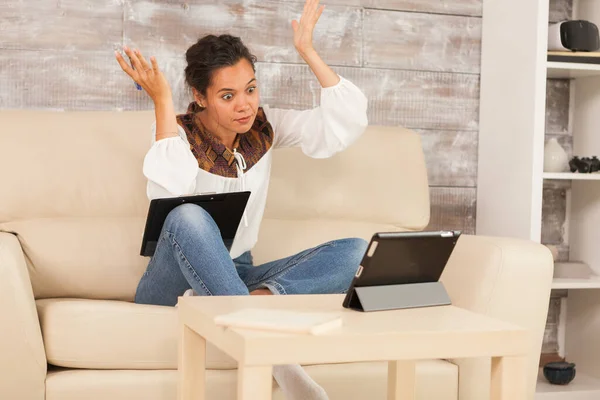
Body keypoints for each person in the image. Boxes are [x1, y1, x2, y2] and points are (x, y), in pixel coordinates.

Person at [115, 0, 368, 398]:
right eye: (228, 96)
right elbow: (170, 196)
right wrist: (162, 101)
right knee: (189, 216)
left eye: (250, 89)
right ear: (200, 97)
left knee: (356, 252)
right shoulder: (175, 133)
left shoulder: (264, 127)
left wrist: (308, 51)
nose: (244, 105)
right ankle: (282, 365)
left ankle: (231, 301)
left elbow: (343, 125)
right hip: (171, 282)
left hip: (235, 274)